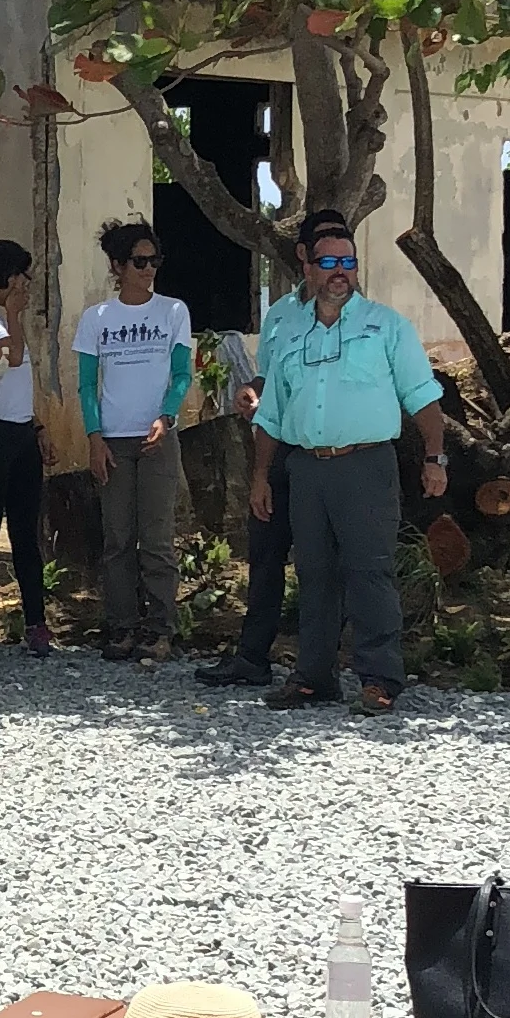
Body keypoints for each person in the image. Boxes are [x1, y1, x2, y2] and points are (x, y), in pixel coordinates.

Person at [249, 214, 449, 715]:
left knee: (370, 571)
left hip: (365, 467)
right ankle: (314, 678)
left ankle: (380, 678)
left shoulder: (386, 326)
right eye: (329, 262)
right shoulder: (293, 334)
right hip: (307, 469)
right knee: (314, 574)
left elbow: (423, 399)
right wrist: (259, 478)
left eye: (348, 262)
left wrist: (435, 457)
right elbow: (271, 414)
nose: (340, 271)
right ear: (309, 269)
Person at [196, 215, 339, 690]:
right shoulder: (279, 314)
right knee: (264, 552)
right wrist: (251, 391)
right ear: (303, 255)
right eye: (324, 249)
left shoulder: (357, 315)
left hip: (327, 453)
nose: (336, 263)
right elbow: (272, 379)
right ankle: (252, 657)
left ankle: (320, 665)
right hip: (276, 449)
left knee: (321, 559)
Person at [74, 220, 194, 664]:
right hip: (113, 439)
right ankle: (122, 626)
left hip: (157, 437)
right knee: (118, 538)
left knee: (157, 539)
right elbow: (87, 384)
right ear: (118, 266)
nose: (149, 270)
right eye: (139, 262)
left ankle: (162, 628)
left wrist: (167, 417)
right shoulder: (96, 319)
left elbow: (182, 374)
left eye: (154, 261)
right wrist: (94, 437)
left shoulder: (173, 312)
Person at [0, 238, 52, 658]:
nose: (27, 284)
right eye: (23, 276)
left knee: (25, 532)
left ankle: (36, 619)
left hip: (19, 431)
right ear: (7, 275)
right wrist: (15, 315)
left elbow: (18, 381)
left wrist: (36, 424)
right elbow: (11, 358)